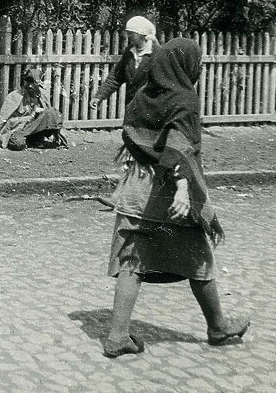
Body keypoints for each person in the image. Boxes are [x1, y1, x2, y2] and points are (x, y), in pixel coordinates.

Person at [103, 38, 249, 358]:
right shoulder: (185, 98)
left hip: (135, 188)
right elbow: (178, 145)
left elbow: (132, 133)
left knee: (133, 261)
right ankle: (218, 327)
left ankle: (117, 337)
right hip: (167, 194)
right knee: (199, 256)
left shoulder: (143, 94)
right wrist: (183, 187)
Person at [90, 16, 161, 111]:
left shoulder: (158, 54)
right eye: (129, 33)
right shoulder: (129, 53)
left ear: (143, 34)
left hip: (152, 108)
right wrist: (99, 97)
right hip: (132, 107)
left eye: (132, 33)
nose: (129, 36)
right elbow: (115, 77)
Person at [0, 67, 67, 151]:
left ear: (39, 84)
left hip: (35, 130)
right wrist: (31, 115)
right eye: (28, 82)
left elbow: (52, 118)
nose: (30, 85)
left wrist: (41, 114)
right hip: (18, 130)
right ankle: (30, 142)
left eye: (33, 83)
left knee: (52, 111)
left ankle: (59, 142)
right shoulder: (14, 96)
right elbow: (5, 121)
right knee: (18, 143)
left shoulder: (42, 96)